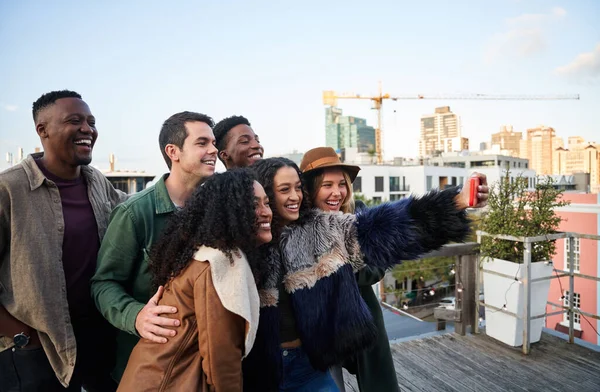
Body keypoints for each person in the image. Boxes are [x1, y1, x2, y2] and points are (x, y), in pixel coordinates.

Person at [245, 157, 488, 391]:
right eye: (284, 189)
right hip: (261, 369)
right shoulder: (244, 241)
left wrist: (457, 201)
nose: (295, 196)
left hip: (308, 367)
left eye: (297, 188)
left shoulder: (322, 228)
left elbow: (386, 228)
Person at [0, 90, 126, 391]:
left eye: (91, 122)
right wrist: (22, 335)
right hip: (35, 348)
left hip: (96, 337)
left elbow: (135, 211)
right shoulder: (10, 188)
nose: (87, 129)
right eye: (75, 120)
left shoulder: (97, 181)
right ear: (42, 130)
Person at [91, 111, 218, 382]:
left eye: (214, 142)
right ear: (173, 151)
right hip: (148, 369)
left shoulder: (217, 211)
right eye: (202, 143)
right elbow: (103, 284)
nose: (214, 150)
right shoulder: (135, 213)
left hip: (203, 365)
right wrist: (137, 316)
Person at [117, 169, 272, 392]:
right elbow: (221, 358)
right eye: (254, 205)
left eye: (266, 203)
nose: (266, 212)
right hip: (169, 384)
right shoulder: (221, 263)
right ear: (230, 211)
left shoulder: (201, 252)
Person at [301, 147, 398, 392]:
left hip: (361, 314)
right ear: (311, 188)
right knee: (328, 384)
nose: (337, 193)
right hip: (320, 323)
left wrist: (339, 265)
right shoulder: (298, 225)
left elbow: (377, 267)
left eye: (341, 184)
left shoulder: (359, 214)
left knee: (379, 382)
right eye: (327, 185)